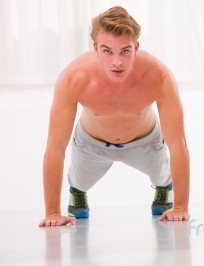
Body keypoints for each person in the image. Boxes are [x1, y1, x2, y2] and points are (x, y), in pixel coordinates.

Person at [39, 6, 190, 227]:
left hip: (145, 142)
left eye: (125, 51)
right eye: (108, 51)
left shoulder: (158, 76)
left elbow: (178, 144)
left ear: (136, 47)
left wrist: (181, 207)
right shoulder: (74, 78)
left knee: (161, 176)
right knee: (80, 181)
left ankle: (163, 189)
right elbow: (55, 147)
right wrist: (52, 212)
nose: (117, 62)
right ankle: (77, 192)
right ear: (96, 49)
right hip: (91, 144)